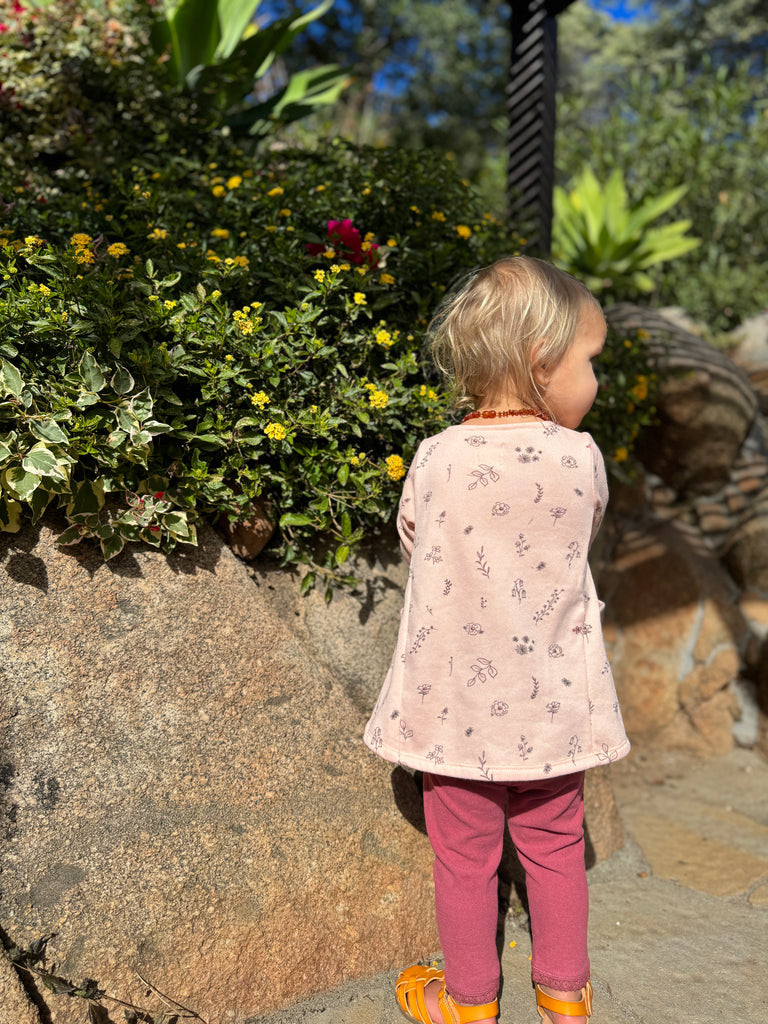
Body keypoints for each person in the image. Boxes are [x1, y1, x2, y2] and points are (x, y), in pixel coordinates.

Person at [363, 256, 630, 1024]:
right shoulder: (581, 457)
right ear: (543, 366)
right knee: (554, 850)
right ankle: (565, 999)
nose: (597, 383)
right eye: (591, 363)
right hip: (555, 711)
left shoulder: (438, 456)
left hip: (457, 713)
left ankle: (471, 1002)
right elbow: (584, 533)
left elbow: (417, 542)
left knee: (466, 859)